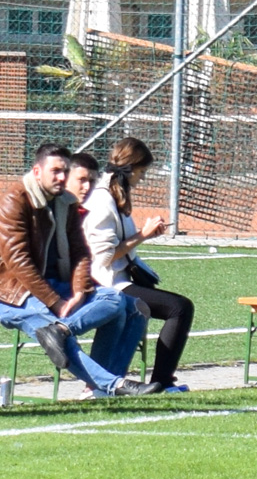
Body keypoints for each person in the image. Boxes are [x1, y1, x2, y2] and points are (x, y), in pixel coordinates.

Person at [0, 143, 161, 397]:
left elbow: (80, 253)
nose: (61, 177)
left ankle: (95, 388)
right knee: (48, 327)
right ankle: (112, 385)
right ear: (37, 171)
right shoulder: (15, 200)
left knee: (127, 305)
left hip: (56, 284)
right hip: (14, 293)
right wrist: (55, 302)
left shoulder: (66, 202)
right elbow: (19, 262)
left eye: (65, 171)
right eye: (55, 171)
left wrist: (79, 291)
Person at [77, 139, 196, 392]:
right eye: (142, 172)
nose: (142, 178)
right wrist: (143, 235)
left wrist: (145, 234)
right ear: (130, 169)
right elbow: (104, 257)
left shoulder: (115, 194)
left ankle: (161, 381)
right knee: (179, 308)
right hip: (107, 283)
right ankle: (161, 381)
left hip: (119, 279)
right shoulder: (102, 201)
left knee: (179, 307)